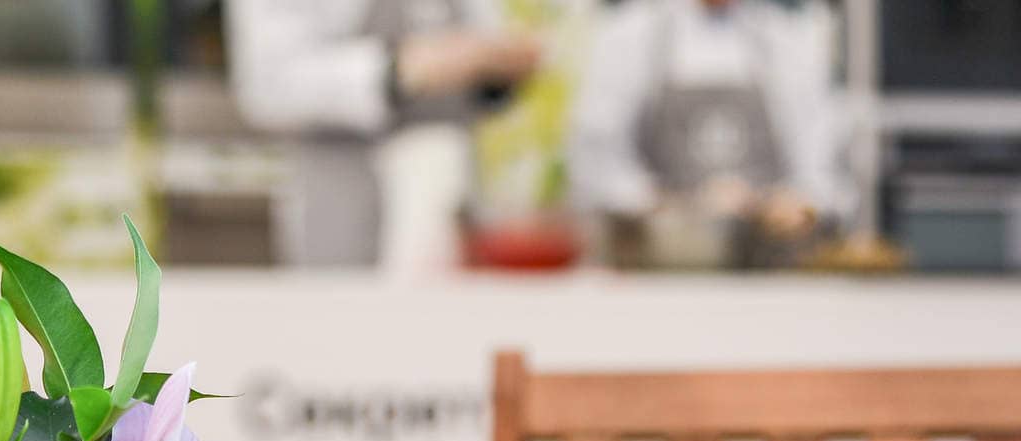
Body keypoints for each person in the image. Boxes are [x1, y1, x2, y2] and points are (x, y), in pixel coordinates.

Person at [226, 0, 540, 268]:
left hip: (454, 216)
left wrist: (496, 70)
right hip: (339, 204)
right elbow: (266, 87)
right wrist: (395, 71)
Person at [569, 0, 844, 267]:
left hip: (768, 267)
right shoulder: (630, 35)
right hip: (659, 265)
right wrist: (677, 207)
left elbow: (821, 165)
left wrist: (792, 202)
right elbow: (598, 161)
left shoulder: (787, 38)